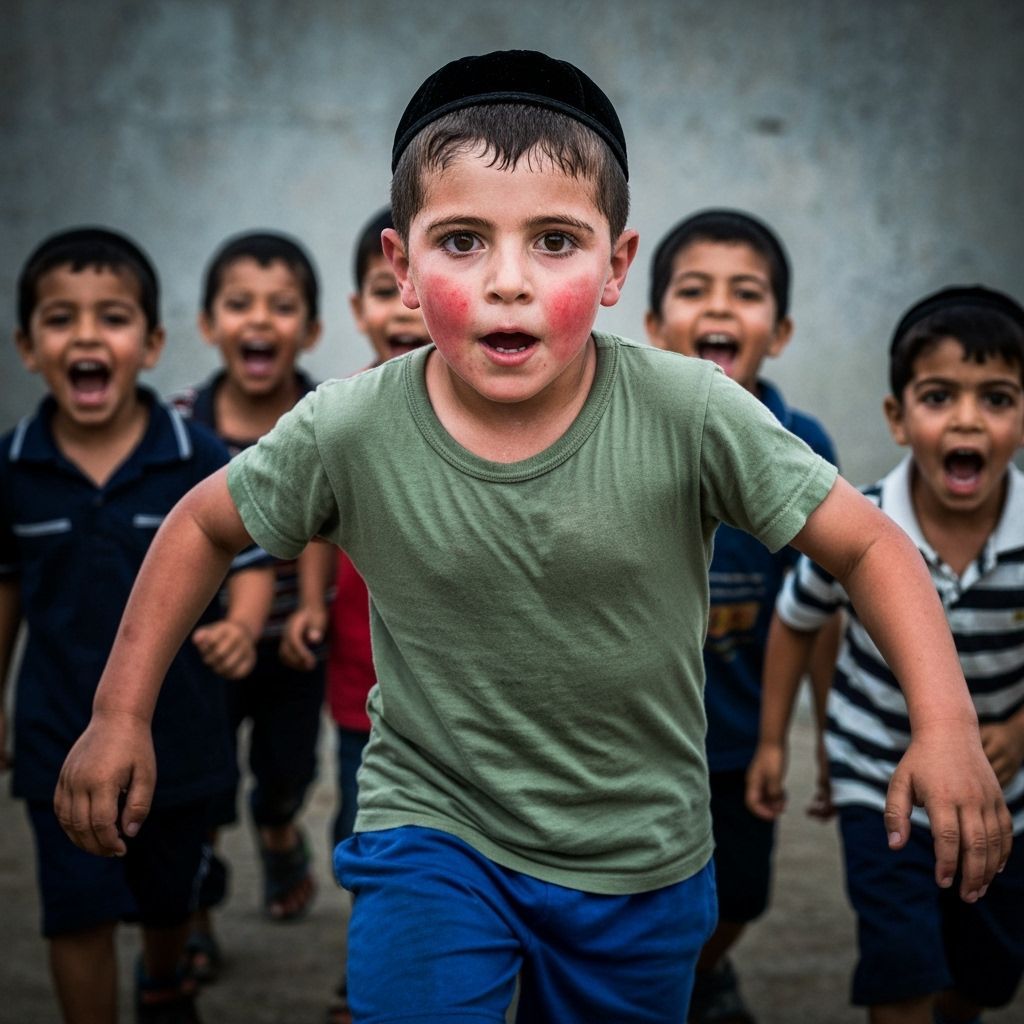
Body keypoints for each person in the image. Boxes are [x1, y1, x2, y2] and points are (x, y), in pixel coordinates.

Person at [55, 52, 1011, 1024]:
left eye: (554, 241)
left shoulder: (690, 412)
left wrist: (942, 727)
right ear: (401, 266)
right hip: (430, 827)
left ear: (614, 267)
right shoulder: (349, 428)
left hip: (638, 854)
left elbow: (868, 545)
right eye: (462, 241)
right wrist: (119, 713)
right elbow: (201, 524)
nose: (507, 281)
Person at [0, 227, 272, 1024]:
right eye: (60, 319)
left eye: (112, 317)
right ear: (26, 346)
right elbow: (7, 589)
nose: (86, 335)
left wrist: (244, 628)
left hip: (181, 738)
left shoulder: (198, 454)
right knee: (76, 910)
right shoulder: (13, 470)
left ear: (151, 343)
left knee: (166, 899)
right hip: (61, 736)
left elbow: (249, 560)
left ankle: (164, 982)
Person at [747, 285, 1024, 1024]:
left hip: (1002, 796)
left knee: (988, 975)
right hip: (879, 779)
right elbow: (796, 618)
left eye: (997, 398)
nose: (967, 419)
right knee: (902, 968)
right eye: (939, 396)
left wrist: (1019, 729)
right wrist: (776, 740)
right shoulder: (861, 529)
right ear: (898, 418)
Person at [645, 208, 841, 1024]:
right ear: (656, 326)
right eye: (695, 290)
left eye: (746, 293)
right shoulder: (630, 434)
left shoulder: (799, 441)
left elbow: (821, 607)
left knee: (743, 895)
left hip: (738, 734)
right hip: (637, 736)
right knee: (639, 894)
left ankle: (702, 972)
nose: (720, 308)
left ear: (781, 329)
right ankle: (661, 982)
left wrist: (808, 736)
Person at [278, 206, 430, 1024]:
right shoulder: (345, 416)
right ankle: (368, 971)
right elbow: (311, 517)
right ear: (359, 308)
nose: (403, 308)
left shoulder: (485, 409)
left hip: (461, 695)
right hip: (360, 683)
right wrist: (308, 603)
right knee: (366, 829)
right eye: (384, 290)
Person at [170, 231, 326, 980]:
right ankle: (192, 918)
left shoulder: (328, 418)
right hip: (202, 648)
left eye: (282, 306)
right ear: (207, 324)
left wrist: (313, 608)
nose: (260, 320)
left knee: (287, 769)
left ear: (313, 329)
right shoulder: (178, 426)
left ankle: (276, 828)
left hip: (293, 645)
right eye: (239, 304)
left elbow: (333, 521)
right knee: (198, 785)